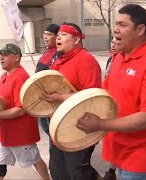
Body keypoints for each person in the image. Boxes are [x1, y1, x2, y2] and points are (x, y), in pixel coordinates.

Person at [76, 4, 146, 180]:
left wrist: (100, 124)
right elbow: (104, 94)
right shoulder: (119, 58)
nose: (115, 29)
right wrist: (68, 100)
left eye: (122, 24)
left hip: (140, 155)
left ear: (140, 29)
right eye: (116, 24)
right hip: (118, 148)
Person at [42, 23, 102, 180]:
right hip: (59, 127)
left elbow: (91, 96)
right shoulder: (59, 60)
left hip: (79, 128)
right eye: (58, 34)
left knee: (78, 173)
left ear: (76, 39)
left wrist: (59, 98)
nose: (58, 37)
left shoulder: (85, 60)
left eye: (64, 34)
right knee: (57, 171)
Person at [0, 44, 50, 180]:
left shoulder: (20, 77)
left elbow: (20, 110)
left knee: (34, 160)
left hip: (19, 133)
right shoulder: (5, 76)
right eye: (0, 55)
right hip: (4, 132)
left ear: (17, 57)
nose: (1, 58)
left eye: (5, 55)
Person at [35, 23, 60, 146]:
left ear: (57, 36)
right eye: (44, 34)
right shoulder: (46, 52)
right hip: (41, 96)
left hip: (52, 98)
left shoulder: (58, 54)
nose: (45, 37)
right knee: (45, 127)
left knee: (53, 130)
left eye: (49, 34)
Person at [103, 36, 121, 180]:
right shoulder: (111, 59)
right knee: (114, 140)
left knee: (118, 138)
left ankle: (112, 170)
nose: (113, 45)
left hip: (120, 106)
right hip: (110, 103)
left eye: (117, 42)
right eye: (112, 42)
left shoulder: (123, 59)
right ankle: (113, 169)